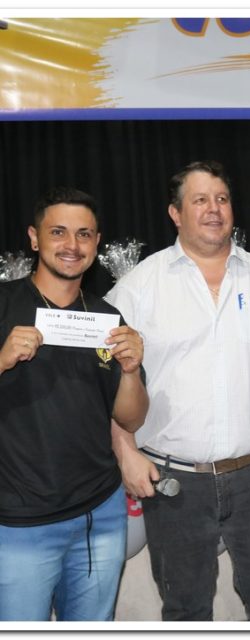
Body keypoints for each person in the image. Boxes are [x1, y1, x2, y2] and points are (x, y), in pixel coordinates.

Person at [107, 160, 250, 621]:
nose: (214, 209)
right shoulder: (137, 288)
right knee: (185, 610)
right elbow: (107, 383)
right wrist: (125, 452)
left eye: (222, 199)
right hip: (174, 482)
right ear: (175, 213)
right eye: (200, 200)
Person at [0, 187, 148, 621]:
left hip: (99, 516)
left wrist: (132, 370)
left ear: (96, 243)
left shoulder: (107, 318)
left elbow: (130, 418)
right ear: (34, 238)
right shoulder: (4, 305)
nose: (72, 245)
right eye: (58, 232)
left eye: (84, 234)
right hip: (19, 521)